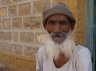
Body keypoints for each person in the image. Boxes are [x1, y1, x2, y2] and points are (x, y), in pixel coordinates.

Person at [36, 3, 92, 71]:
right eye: (52, 23)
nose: (57, 30)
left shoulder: (81, 54)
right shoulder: (42, 52)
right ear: (45, 26)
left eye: (63, 23)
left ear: (72, 26)